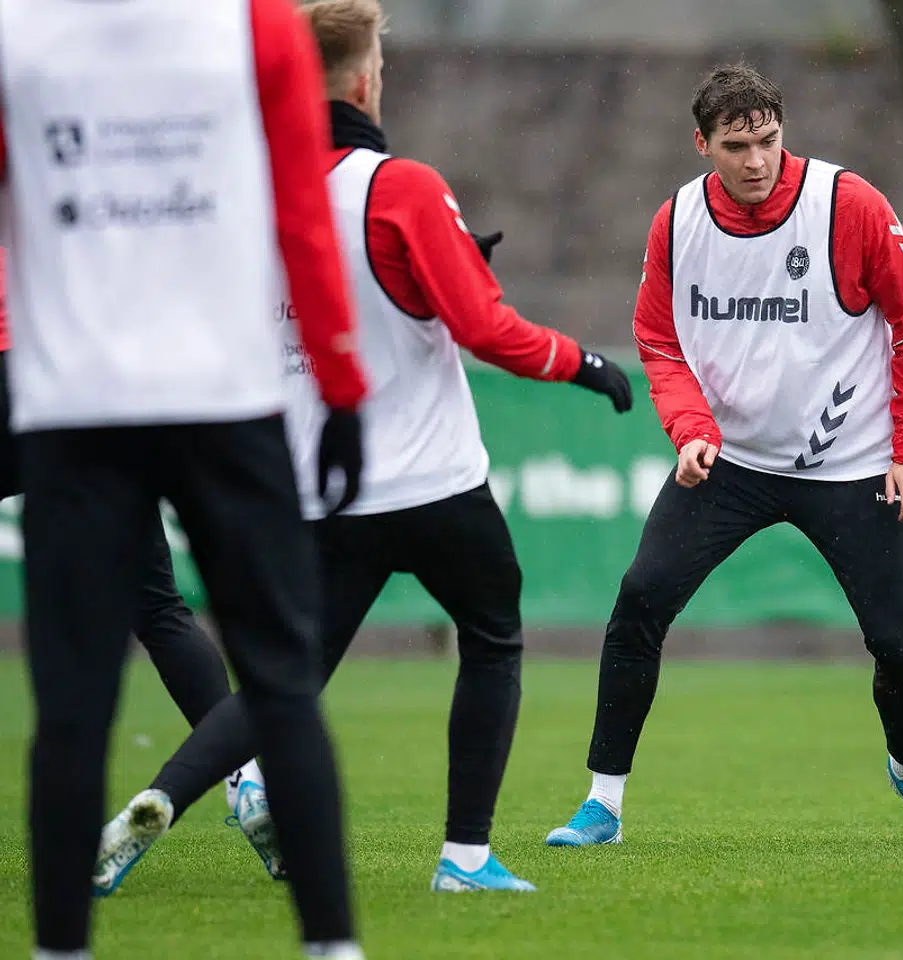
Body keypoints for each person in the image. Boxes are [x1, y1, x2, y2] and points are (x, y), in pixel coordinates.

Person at [96, 0, 634, 896]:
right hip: (435, 483)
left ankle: (155, 800)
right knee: (494, 639)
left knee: (281, 685)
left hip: (327, 490)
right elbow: (482, 326)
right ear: (364, 77)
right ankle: (465, 857)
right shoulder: (403, 186)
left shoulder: (246, 196)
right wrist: (587, 365)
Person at [0, 0, 372, 956]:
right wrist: (339, 385)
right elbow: (299, 211)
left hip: (75, 408)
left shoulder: (17, 30)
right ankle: (332, 944)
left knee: (73, 708)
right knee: (283, 684)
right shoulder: (255, 24)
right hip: (224, 402)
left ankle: (58, 948)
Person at [545, 63, 903, 847]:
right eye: (736, 146)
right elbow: (658, 340)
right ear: (702, 145)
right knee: (638, 604)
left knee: (901, 648)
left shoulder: (850, 204)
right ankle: (603, 804)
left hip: (852, 465)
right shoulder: (677, 222)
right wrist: (691, 430)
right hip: (729, 466)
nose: (756, 160)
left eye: (767, 140)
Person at [0, 252, 235, 735]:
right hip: (81, 387)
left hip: (57, 378)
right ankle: (246, 776)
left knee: (143, 608)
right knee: (158, 608)